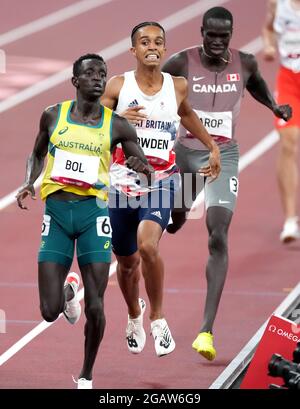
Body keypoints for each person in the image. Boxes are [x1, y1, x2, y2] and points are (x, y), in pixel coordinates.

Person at [162, 6, 292, 361]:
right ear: (201, 31)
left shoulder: (245, 63)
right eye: (211, 35)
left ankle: (205, 330)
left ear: (231, 35)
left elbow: (260, 89)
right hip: (186, 153)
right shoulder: (179, 63)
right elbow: (155, 95)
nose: (217, 43)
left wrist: (276, 108)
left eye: (224, 37)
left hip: (223, 157)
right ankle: (176, 211)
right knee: (175, 217)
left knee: (218, 233)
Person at [16, 53, 153, 389]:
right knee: (49, 311)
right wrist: (28, 182)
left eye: (102, 73)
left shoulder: (117, 124)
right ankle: (67, 291)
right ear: (75, 81)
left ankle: (87, 375)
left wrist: (141, 165)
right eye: (90, 73)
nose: (97, 78)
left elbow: (138, 155)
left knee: (96, 306)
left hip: (93, 215)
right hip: (58, 215)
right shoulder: (53, 115)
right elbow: (37, 152)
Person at [101, 22, 221, 357]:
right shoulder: (118, 85)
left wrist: (211, 145)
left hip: (161, 180)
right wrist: (117, 118)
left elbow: (186, 114)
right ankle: (134, 314)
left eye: (158, 42)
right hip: (121, 186)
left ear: (164, 49)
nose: (151, 46)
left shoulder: (177, 85)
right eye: (144, 42)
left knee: (148, 245)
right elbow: (91, 125)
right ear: (133, 50)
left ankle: (157, 317)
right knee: (126, 265)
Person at [262, 0, 300, 242]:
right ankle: (290, 220)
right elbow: (268, 28)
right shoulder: (278, 3)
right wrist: (268, 46)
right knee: (288, 143)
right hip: (288, 80)